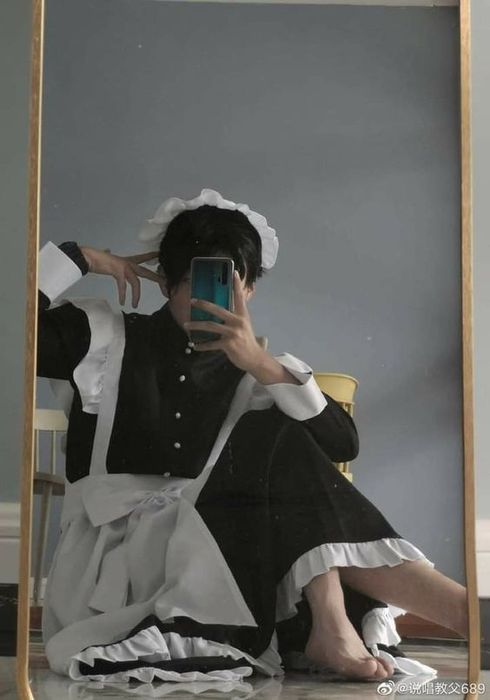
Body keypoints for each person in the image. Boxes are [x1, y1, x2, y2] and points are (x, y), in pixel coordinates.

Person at [37, 189, 467, 685]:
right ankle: (453, 611)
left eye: (228, 285)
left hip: (222, 551)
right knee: (273, 429)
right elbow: (13, 326)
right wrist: (79, 258)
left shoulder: (260, 374)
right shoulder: (101, 337)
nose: (209, 300)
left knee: (275, 426)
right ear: (168, 283)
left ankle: (421, 616)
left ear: (251, 291)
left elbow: (343, 446)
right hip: (121, 558)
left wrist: (260, 363)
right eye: (195, 282)